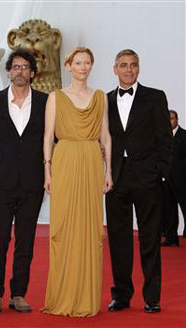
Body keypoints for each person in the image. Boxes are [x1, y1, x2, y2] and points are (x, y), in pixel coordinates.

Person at [40, 47, 112, 317]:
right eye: (78, 62)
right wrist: (47, 171)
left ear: (92, 66)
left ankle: (86, 297)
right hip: (65, 159)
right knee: (63, 225)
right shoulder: (56, 97)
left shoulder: (100, 97)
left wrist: (109, 171)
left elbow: (106, 136)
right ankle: (63, 294)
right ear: (68, 66)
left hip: (92, 160)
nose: (83, 67)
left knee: (91, 227)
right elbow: (48, 136)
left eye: (87, 62)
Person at [106, 49, 173, 313]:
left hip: (147, 179)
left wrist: (160, 173)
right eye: (123, 65)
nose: (129, 69)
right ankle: (121, 295)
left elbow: (166, 140)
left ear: (139, 68)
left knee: (149, 239)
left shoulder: (155, 97)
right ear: (115, 69)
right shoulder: (106, 100)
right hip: (116, 180)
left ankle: (152, 298)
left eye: (133, 65)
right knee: (118, 240)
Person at [0, 48, 48, 312]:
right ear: (9, 72)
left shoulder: (46, 102)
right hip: (2, 183)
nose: (20, 71)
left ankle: (18, 293)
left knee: (26, 241)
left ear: (33, 73)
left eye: (25, 67)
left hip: (33, 183)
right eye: (16, 67)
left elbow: (54, 138)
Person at [161, 110, 186, 246]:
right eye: (168, 119)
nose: (170, 121)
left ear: (177, 120)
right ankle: (171, 239)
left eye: (172, 118)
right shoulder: (162, 137)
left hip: (182, 180)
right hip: (166, 180)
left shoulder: (184, 135)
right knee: (169, 210)